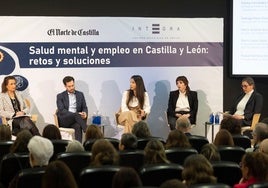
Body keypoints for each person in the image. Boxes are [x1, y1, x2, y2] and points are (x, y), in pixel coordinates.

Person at [56, 76, 88, 143]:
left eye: (73, 85)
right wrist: (75, 114)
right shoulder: (60, 96)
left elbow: (84, 107)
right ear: (65, 86)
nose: (71, 88)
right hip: (65, 120)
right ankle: (87, 131)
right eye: (69, 86)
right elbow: (61, 110)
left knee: (78, 126)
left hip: (76, 120)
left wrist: (85, 113)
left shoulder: (80, 94)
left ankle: (78, 147)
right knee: (76, 115)